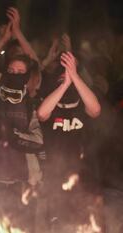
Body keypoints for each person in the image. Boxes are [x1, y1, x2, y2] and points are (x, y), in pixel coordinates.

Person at [0, 54, 43, 233]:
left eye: (20, 72)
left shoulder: (32, 105)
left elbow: (38, 141)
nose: (15, 75)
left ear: (27, 76)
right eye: (11, 71)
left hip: (22, 182)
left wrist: (9, 135)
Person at [37, 52, 102, 232]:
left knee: (83, 224)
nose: (68, 83)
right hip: (54, 177)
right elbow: (42, 114)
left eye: (72, 80)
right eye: (62, 79)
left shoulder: (83, 106)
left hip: (83, 177)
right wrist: (65, 83)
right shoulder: (51, 103)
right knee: (57, 224)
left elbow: (96, 110)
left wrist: (75, 76)